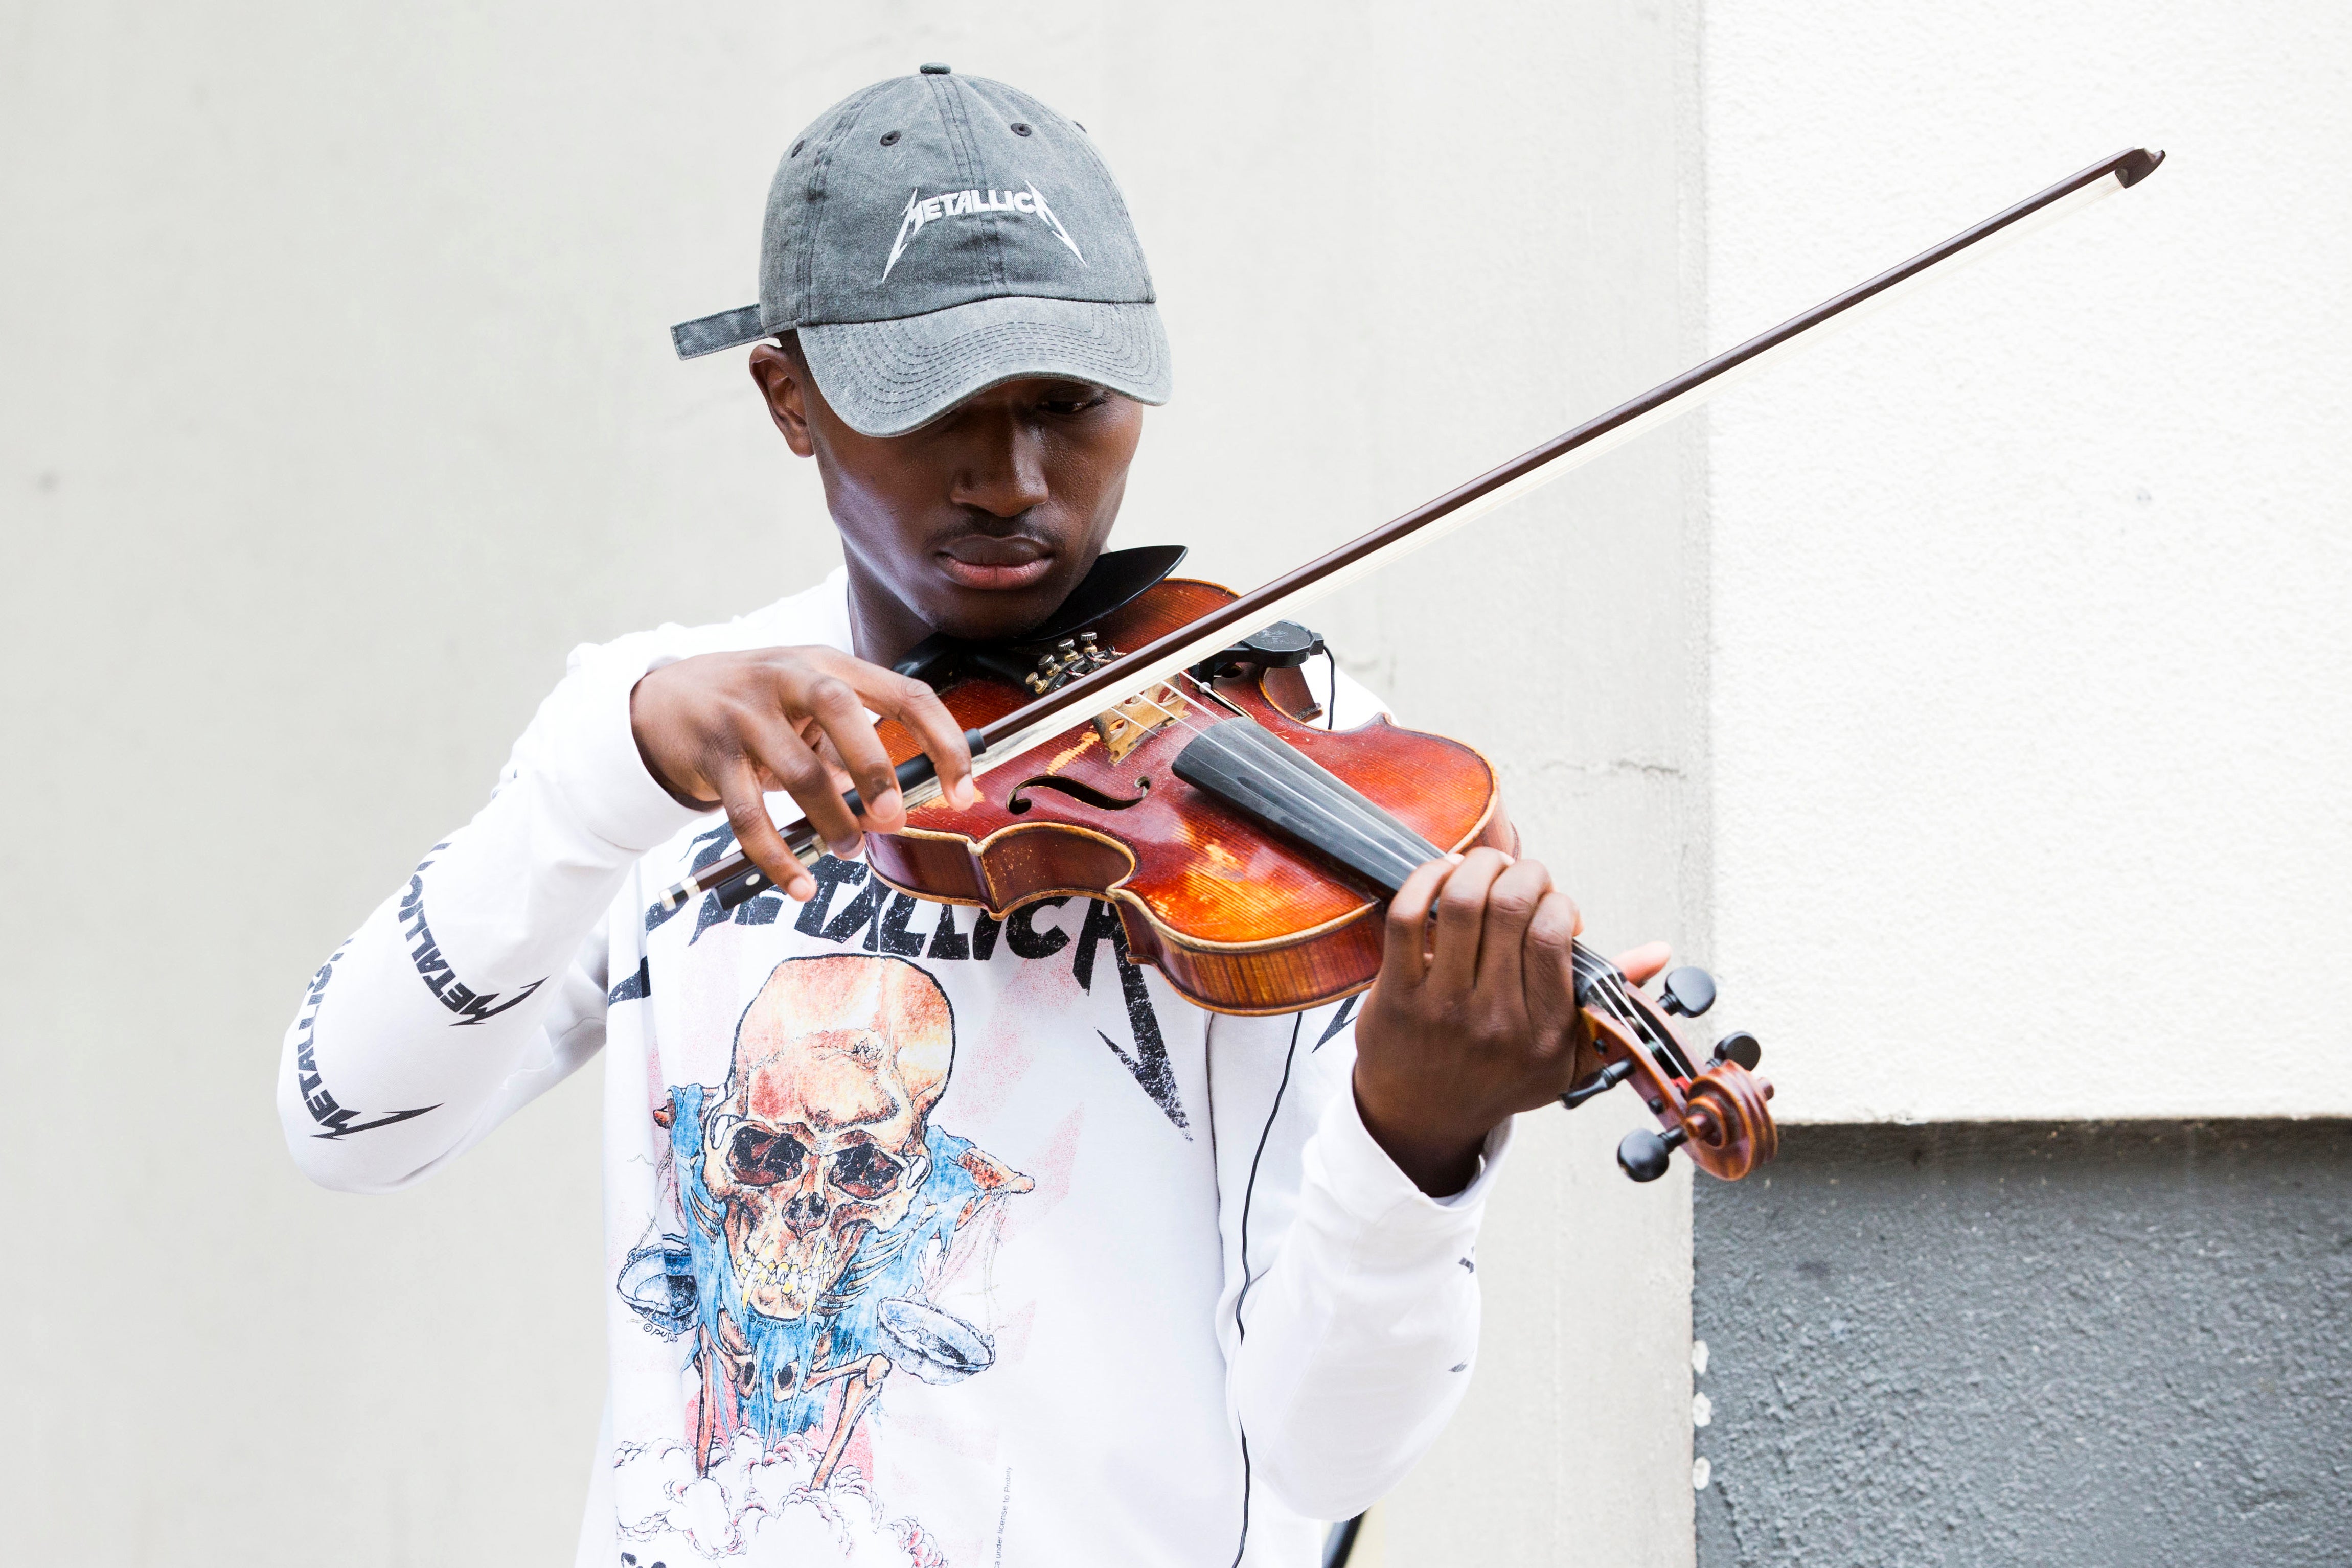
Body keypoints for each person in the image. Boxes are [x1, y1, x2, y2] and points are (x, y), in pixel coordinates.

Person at [280, 65, 1666, 1567]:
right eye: (934, 408)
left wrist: (1416, 1137)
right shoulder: (672, 739)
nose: (1011, 482)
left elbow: (1326, 1448)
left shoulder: (1300, 795)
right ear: (788, 395)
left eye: (1066, 406)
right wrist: (605, 765)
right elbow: (343, 1119)